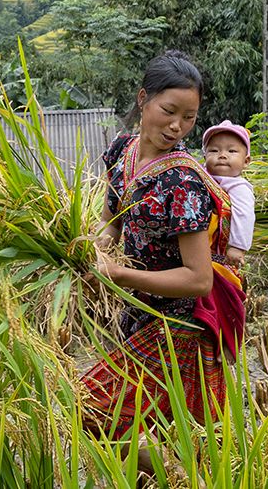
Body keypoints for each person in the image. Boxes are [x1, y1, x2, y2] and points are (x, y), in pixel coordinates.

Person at [82, 50, 241, 448]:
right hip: (136, 315)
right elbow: (112, 222)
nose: (177, 126)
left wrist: (118, 274)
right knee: (147, 432)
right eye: (169, 111)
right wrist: (95, 251)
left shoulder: (183, 184)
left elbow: (199, 279)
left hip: (176, 328)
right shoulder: (122, 151)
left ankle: (183, 477)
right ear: (142, 99)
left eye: (188, 118)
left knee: (91, 414)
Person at [202, 120, 255, 268]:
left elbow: (244, 215)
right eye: (214, 150)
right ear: (205, 157)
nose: (222, 155)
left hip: (220, 252)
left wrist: (237, 246)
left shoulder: (239, 187)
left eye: (231, 151)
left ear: (246, 161)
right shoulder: (200, 175)